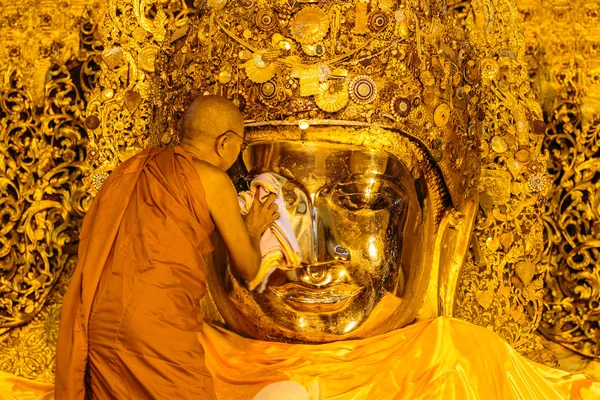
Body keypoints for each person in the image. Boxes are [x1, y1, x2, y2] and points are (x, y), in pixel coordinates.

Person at [54, 95, 279, 400]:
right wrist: (252, 229)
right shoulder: (212, 178)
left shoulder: (133, 169)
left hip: (99, 320)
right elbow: (248, 267)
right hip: (155, 328)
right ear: (225, 143)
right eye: (239, 146)